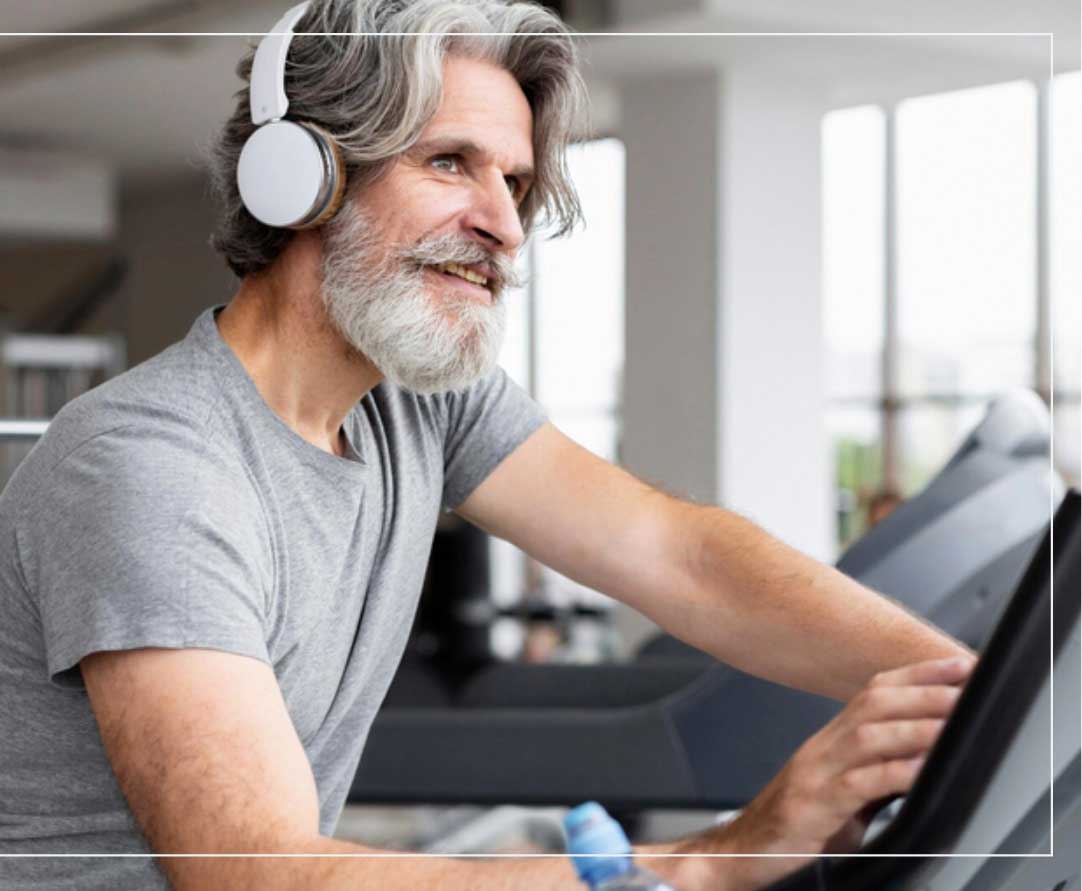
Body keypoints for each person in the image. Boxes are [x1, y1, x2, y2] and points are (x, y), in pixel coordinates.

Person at [0, 1, 976, 889]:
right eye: (449, 162)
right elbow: (264, 878)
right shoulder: (152, 467)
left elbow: (673, 553)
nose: (505, 227)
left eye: (511, 181)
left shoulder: (418, 401)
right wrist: (718, 859)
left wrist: (979, 698)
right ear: (301, 179)